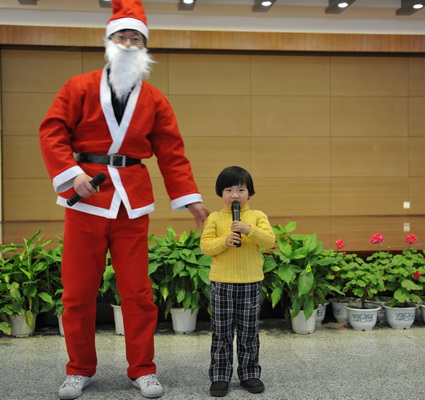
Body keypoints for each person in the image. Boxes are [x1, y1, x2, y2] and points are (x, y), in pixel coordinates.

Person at [39, 0, 209, 398]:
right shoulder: (78, 87)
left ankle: (143, 369)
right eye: (122, 37)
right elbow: (52, 132)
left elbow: (171, 153)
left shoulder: (155, 99)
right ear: (109, 42)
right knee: (77, 293)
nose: (129, 44)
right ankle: (79, 368)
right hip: (86, 198)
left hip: (132, 203)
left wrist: (191, 200)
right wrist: (72, 174)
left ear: (145, 46)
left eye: (136, 38)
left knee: (138, 293)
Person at [200, 166, 276, 397]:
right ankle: (220, 376)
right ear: (220, 194)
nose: (235, 195)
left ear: (249, 193)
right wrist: (224, 241)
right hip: (222, 284)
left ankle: (249, 374)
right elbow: (206, 246)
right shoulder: (214, 218)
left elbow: (269, 241)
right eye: (229, 190)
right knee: (221, 333)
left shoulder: (257, 216)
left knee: (248, 332)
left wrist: (248, 230)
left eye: (241, 190)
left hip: (250, 283)